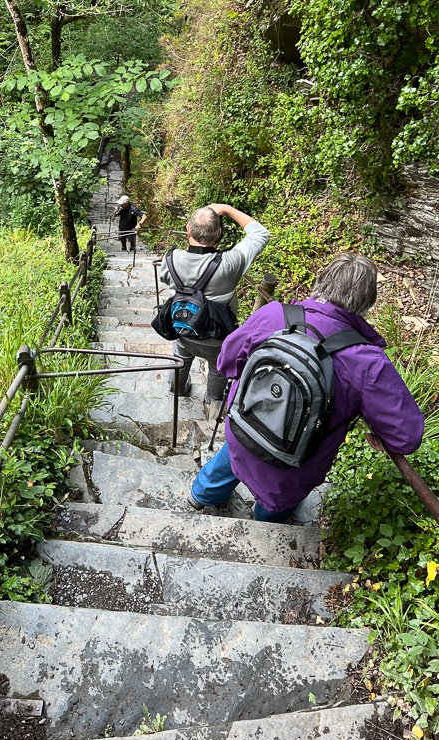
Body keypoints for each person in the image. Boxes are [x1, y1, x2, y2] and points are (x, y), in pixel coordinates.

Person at [188, 252, 425, 521]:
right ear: (367, 303)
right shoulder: (367, 360)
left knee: (233, 454)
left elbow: (226, 360)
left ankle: (200, 496)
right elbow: (406, 436)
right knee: (276, 503)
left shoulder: (274, 313)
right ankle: (266, 527)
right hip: (295, 463)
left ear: (321, 282)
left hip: (246, 425)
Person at [159, 204, 269, 405]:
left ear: (188, 230)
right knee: (218, 368)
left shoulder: (170, 259)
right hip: (216, 337)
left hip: (183, 329)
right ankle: (213, 400)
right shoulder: (230, 263)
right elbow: (260, 234)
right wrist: (226, 209)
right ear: (219, 234)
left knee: (180, 361)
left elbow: (165, 279)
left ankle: (177, 392)